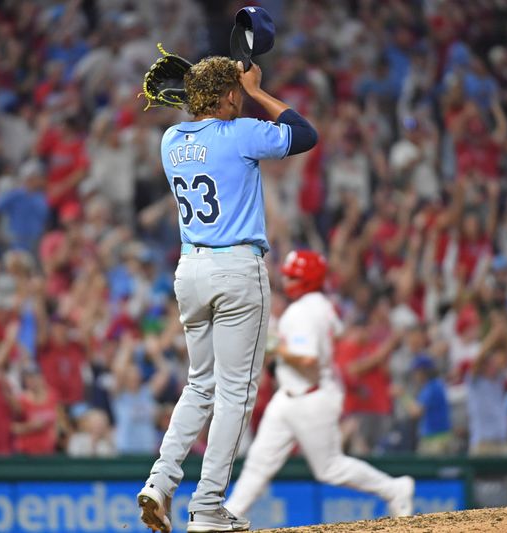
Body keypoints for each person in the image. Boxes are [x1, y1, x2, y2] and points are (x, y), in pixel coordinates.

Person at [137, 53, 318, 533]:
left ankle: (159, 482)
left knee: (201, 383)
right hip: (236, 268)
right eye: (234, 91)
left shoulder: (170, 139)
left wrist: (213, 89)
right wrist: (258, 92)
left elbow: (203, 124)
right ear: (227, 95)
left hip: (190, 270)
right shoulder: (239, 132)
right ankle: (208, 506)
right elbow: (304, 133)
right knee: (236, 394)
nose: (240, 96)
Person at [225, 250, 414, 520]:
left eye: (293, 277)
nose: (287, 281)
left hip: (310, 398)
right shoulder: (322, 304)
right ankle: (230, 515)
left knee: (330, 468)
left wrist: (276, 346)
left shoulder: (302, 311)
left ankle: (395, 489)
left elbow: (308, 359)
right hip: (291, 396)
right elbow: (336, 332)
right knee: (258, 463)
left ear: (307, 280)